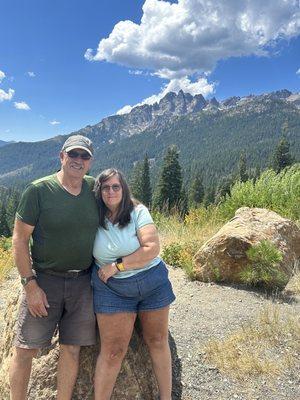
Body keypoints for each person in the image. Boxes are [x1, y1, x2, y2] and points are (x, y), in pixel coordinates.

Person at [9, 135, 99, 400]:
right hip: (45, 281)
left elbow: (123, 200)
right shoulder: (38, 191)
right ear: (62, 157)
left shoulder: (94, 189)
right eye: (73, 155)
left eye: (84, 156)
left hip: (83, 283)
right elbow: (20, 239)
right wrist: (30, 284)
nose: (78, 161)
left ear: (90, 162)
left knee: (71, 349)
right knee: (25, 349)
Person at [92, 168, 176, 400]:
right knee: (112, 353)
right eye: (105, 187)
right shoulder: (92, 215)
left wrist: (117, 266)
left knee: (158, 341)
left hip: (152, 283)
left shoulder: (138, 211)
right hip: (112, 290)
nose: (111, 192)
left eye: (116, 186)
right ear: (99, 192)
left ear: (124, 188)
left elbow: (152, 248)